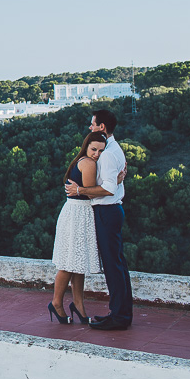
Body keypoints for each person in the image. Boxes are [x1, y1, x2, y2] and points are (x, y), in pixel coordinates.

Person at [65, 108, 132, 331]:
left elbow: (109, 189)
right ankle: (121, 313)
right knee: (117, 264)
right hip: (109, 212)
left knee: (114, 266)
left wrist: (80, 190)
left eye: (93, 124)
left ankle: (119, 317)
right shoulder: (110, 149)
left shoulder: (109, 153)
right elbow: (114, 180)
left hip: (107, 211)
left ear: (102, 127)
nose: (90, 128)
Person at [49, 131, 107, 324]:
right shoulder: (88, 163)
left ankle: (78, 305)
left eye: (101, 151)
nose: (97, 154)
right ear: (86, 146)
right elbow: (92, 194)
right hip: (78, 214)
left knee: (77, 263)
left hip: (75, 212)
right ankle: (56, 303)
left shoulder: (80, 160)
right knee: (68, 263)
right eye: (93, 149)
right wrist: (114, 182)